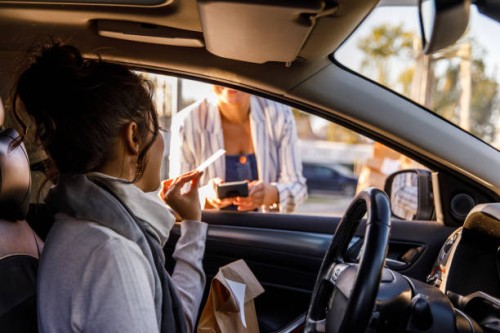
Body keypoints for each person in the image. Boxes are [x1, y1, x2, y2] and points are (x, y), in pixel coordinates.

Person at [13, 43, 207, 333]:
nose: (162, 143)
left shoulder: (77, 226)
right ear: (133, 137)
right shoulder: (112, 252)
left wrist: (192, 225)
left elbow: (175, 319)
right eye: (158, 129)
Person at [169, 86, 307, 213]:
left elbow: (298, 188)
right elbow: (177, 198)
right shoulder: (186, 123)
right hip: (210, 235)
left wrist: (271, 194)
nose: (230, 81)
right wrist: (208, 198)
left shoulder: (280, 115)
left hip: (266, 233)